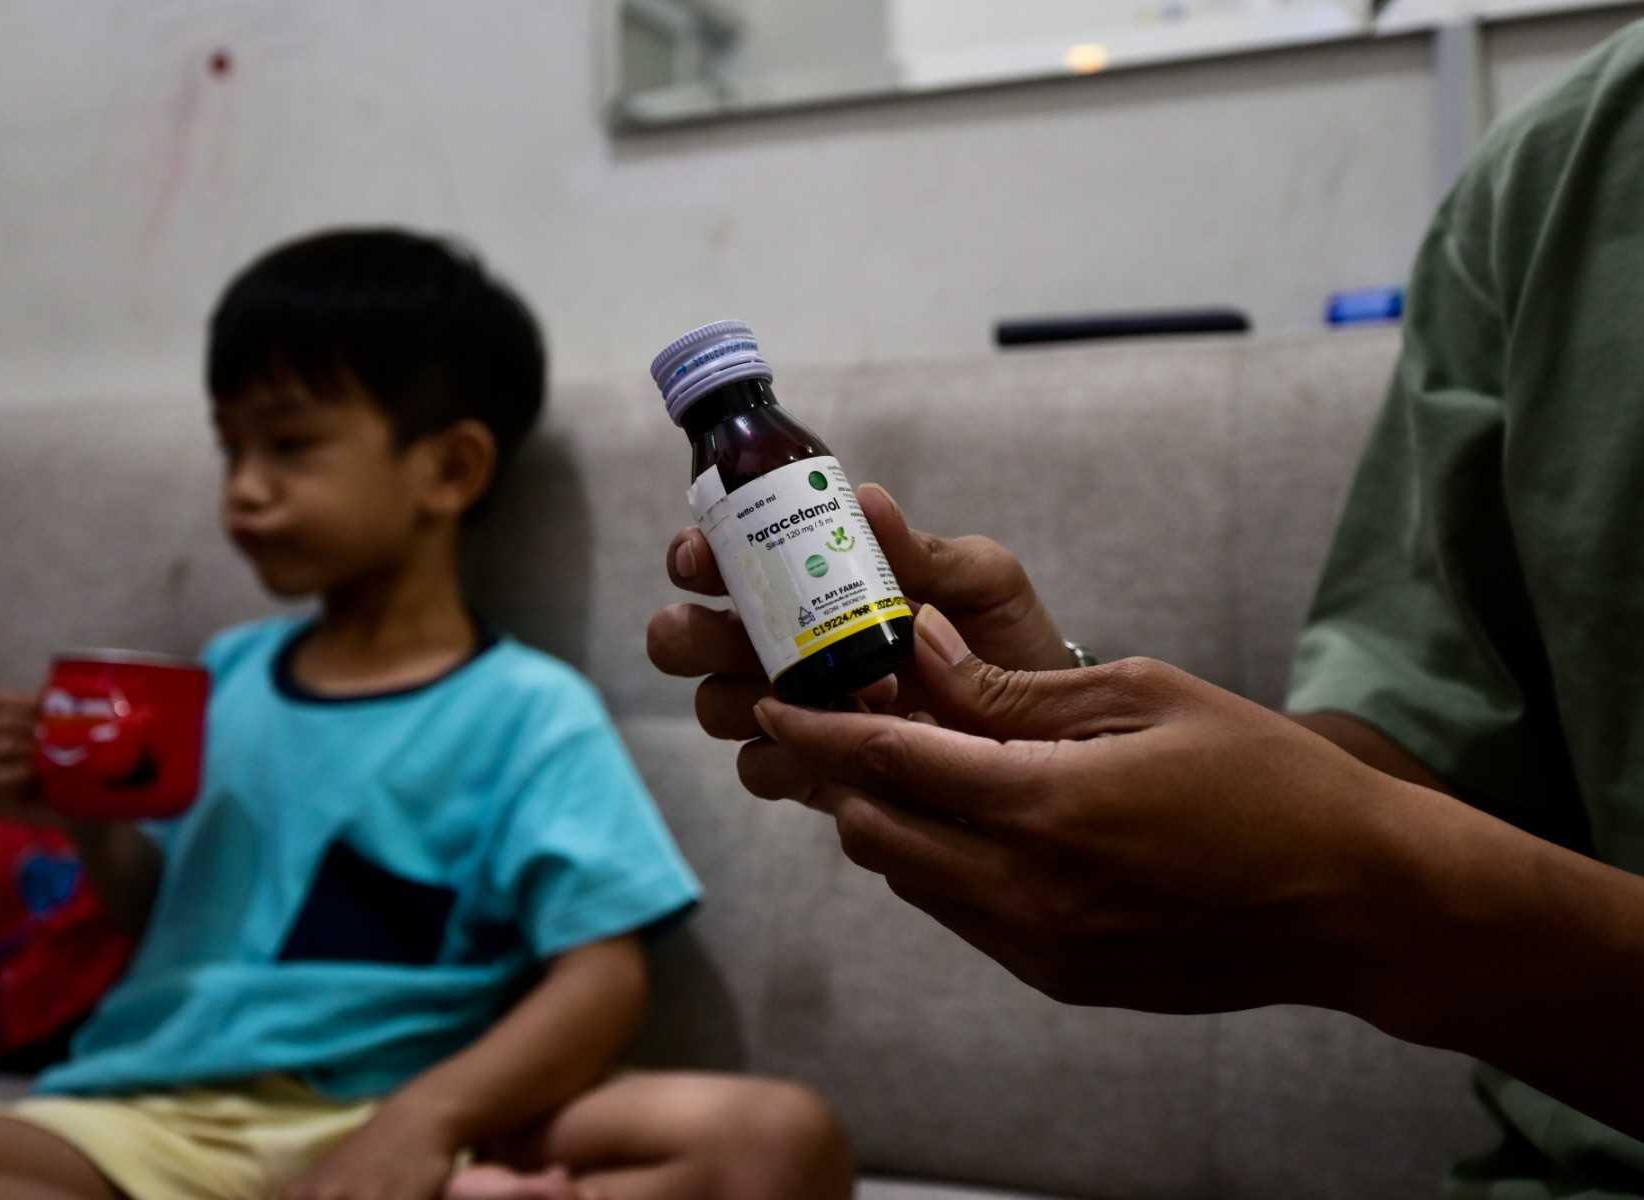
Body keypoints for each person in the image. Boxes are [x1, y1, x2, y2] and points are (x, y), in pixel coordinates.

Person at [648, 21, 1644, 1199]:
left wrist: (1372, 899)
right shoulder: (1559, 168)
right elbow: (1419, 749)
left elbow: (1376, 851)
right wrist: (1056, 728)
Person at [0, 229, 852, 1200]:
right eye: (230, 449)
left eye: (287, 446)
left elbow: (602, 980)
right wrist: (83, 821)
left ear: (449, 470)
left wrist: (424, 1124)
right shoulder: (226, 676)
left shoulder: (522, 713)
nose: (243, 489)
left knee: (773, 1141)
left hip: (388, 1113)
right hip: (138, 1118)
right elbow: (165, 915)